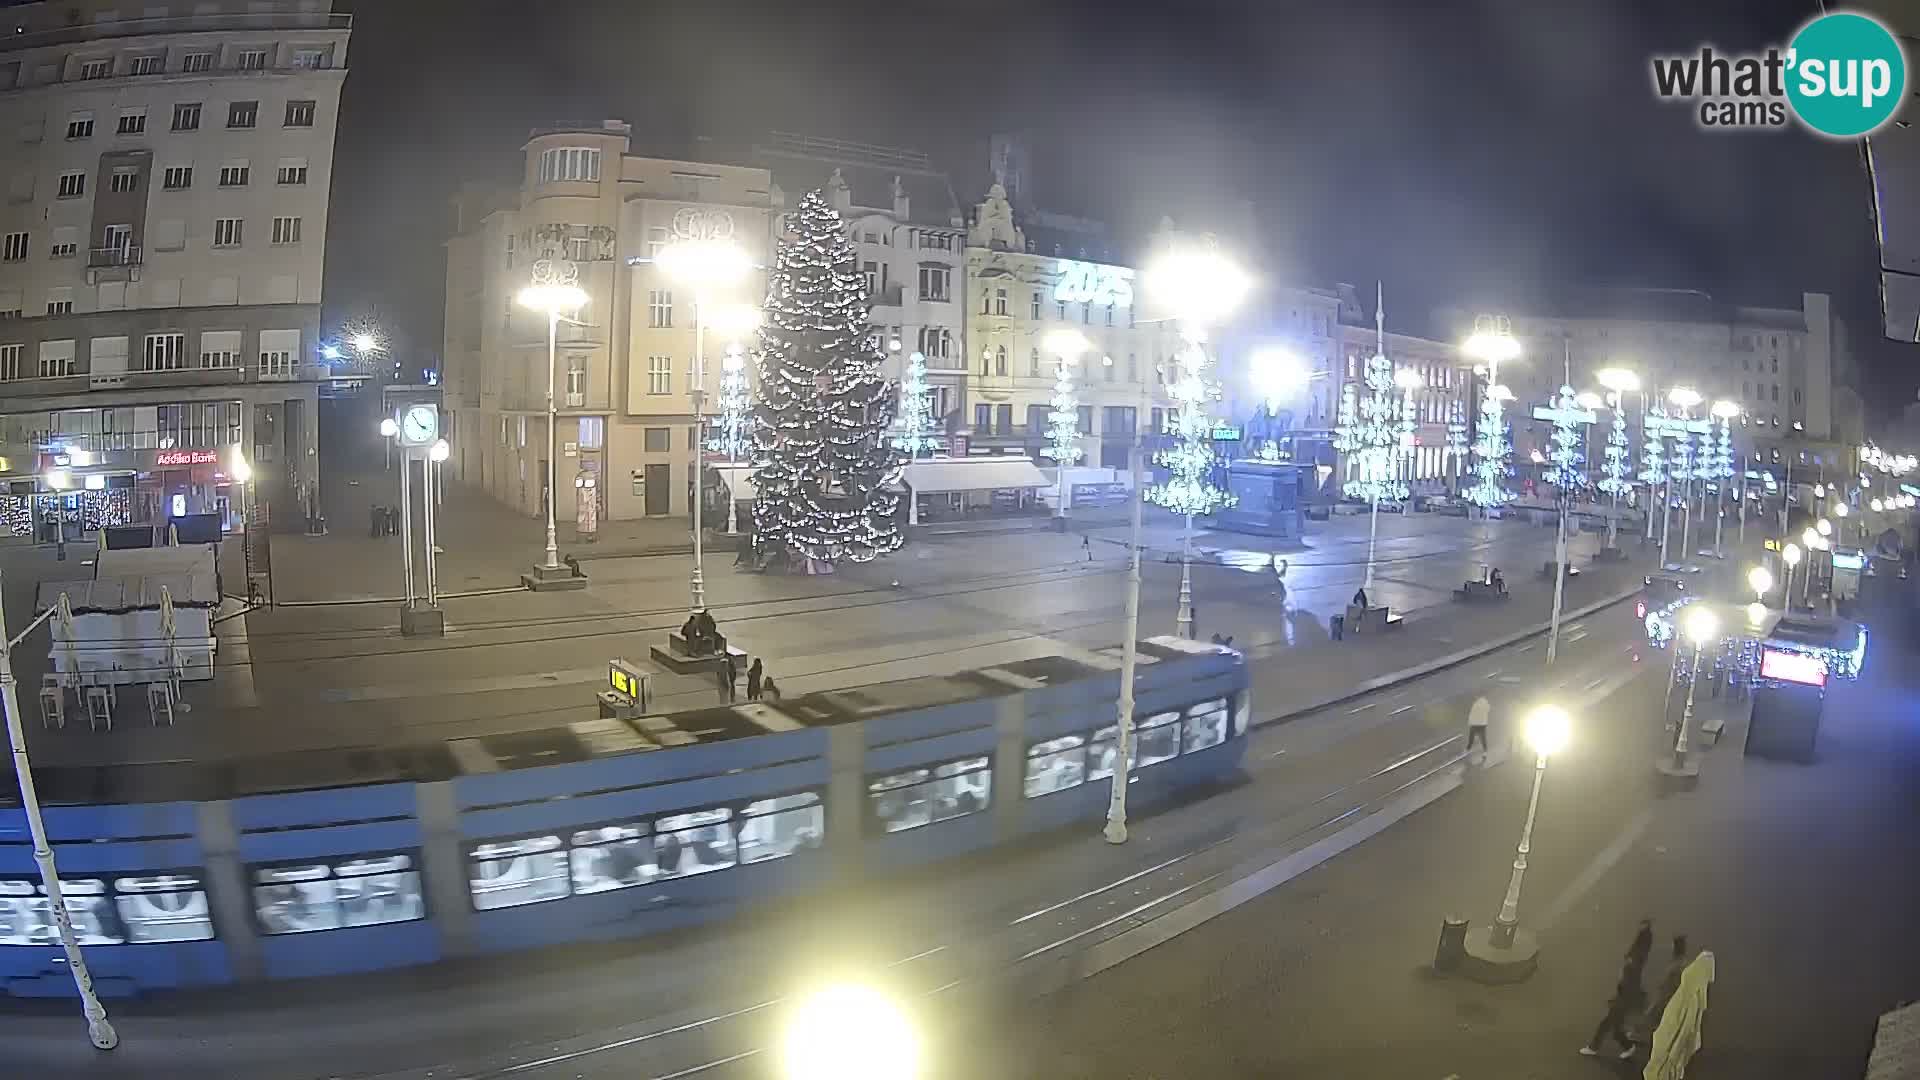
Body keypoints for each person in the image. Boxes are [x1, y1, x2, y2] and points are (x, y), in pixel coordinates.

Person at [1643, 950, 1714, 1080]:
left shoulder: (1687, 996)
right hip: (1671, 1048)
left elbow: (1682, 1029)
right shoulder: (1693, 998)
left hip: (1668, 1045)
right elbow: (1686, 1029)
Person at [1581, 942, 1650, 1059]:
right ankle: (1627, 1046)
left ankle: (1594, 1048)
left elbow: (1625, 990)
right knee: (1614, 1030)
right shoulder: (1632, 971)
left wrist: (1615, 1001)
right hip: (1621, 1004)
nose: (1627, 958)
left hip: (1620, 1005)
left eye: (1629, 957)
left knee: (1607, 1027)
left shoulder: (1629, 971)